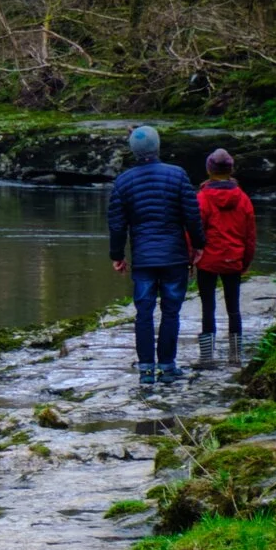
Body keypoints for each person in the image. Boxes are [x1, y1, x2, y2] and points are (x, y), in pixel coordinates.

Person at [106, 125, 204, 386]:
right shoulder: (178, 175)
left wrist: (117, 255)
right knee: (171, 312)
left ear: (134, 151)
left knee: (144, 313)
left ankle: (146, 370)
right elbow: (192, 216)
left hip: (144, 259)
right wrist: (198, 246)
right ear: (158, 147)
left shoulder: (124, 181)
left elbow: (117, 224)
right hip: (174, 257)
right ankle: (168, 367)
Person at [194, 148, 256, 340]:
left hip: (207, 261)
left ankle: (207, 356)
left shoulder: (202, 198)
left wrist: (191, 257)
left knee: (207, 307)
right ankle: (235, 354)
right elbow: (250, 236)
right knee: (234, 308)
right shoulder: (243, 199)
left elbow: (195, 231)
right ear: (231, 170)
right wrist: (245, 262)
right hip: (234, 259)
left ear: (209, 170)